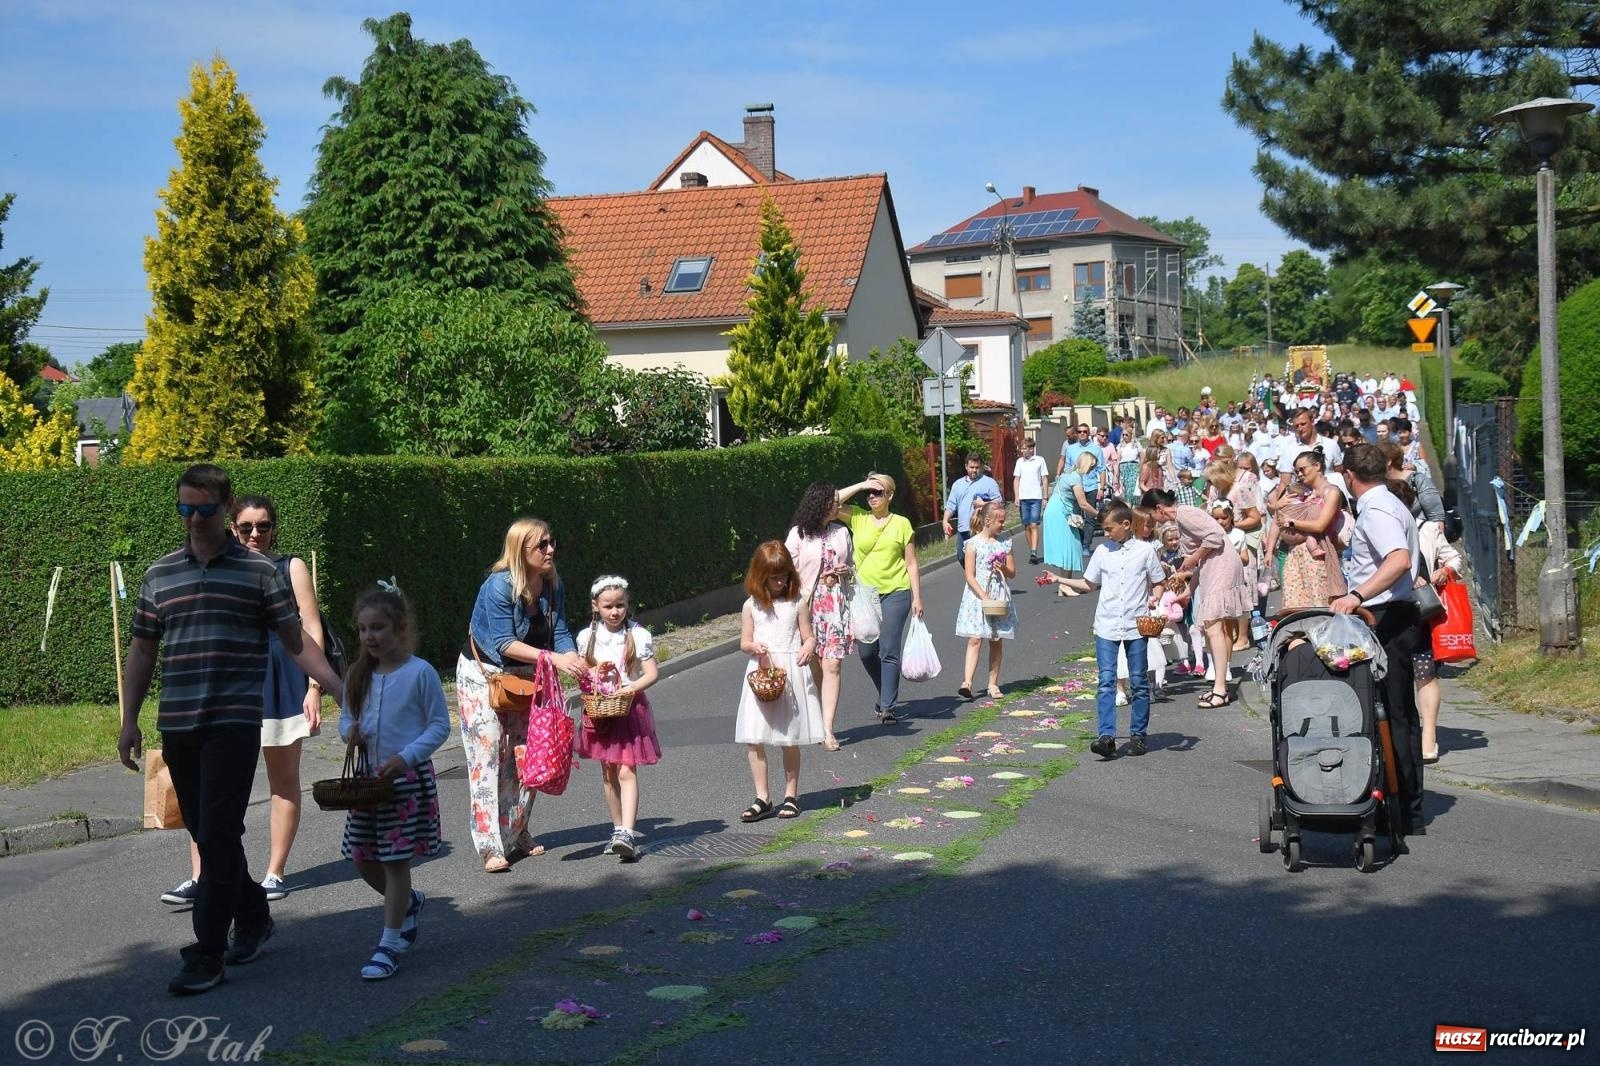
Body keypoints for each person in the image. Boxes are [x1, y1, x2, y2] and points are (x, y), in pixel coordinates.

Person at [118, 464, 345, 996]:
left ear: (225, 509)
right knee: (206, 830)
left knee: (219, 830)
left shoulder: (257, 572)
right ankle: (254, 912)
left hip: (234, 722)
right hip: (178, 722)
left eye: (204, 509)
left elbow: (295, 640)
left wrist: (333, 683)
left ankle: (206, 951)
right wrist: (128, 719)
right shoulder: (160, 575)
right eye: (185, 509)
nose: (194, 519)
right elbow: (143, 650)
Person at [160, 494, 331, 907]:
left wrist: (314, 687)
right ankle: (203, 876)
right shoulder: (219, 568)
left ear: (274, 528)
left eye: (264, 526)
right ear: (231, 528)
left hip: (281, 679)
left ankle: (274, 872)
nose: (255, 534)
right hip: (230, 682)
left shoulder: (291, 567)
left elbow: (310, 626)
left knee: (283, 780)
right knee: (205, 789)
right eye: (246, 527)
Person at [459, 518, 585, 873]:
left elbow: (558, 631)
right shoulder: (499, 586)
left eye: (551, 541)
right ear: (520, 551)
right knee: (488, 759)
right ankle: (489, 845)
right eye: (541, 545)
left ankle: (516, 832)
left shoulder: (550, 583)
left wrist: (573, 657)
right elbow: (503, 643)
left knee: (529, 756)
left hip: (529, 676)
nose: (550, 550)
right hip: (486, 677)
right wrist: (553, 658)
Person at [339, 582, 449, 982]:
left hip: (404, 781)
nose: (370, 636)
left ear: (400, 628)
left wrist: (406, 758)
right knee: (363, 859)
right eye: (364, 629)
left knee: (394, 860)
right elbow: (345, 719)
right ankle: (407, 904)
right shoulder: (357, 674)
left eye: (378, 628)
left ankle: (389, 942)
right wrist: (349, 731)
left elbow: (439, 726)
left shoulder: (421, 673)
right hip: (367, 785)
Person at [1334, 444, 1426, 835]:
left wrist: (1356, 595)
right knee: (1397, 713)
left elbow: (1398, 559)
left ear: (1350, 476)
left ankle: (1402, 806)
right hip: (1392, 613)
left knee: (1392, 715)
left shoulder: (1377, 509)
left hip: (1388, 616)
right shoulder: (1385, 502)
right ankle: (1403, 804)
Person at [1049, 501, 1166, 759]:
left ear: (1126, 525)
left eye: (1109, 528)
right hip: (1107, 624)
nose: (1105, 533)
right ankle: (1106, 736)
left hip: (1136, 625)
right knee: (1106, 681)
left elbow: (1158, 581)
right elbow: (1089, 584)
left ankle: (1138, 735)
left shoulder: (1145, 551)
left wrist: (1155, 598)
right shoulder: (1103, 552)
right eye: (1103, 529)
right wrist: (1058, 579)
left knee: (1138, 681)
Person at [735, 542, 825, 822]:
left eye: (784, 575)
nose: (780, 581)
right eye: (774, 576)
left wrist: (808, 646)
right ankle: (763, 797)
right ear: (760, 576)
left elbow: (808, 635)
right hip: (762, 672)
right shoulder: (751, 606)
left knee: (788, 738)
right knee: (754, 738)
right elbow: (744, 642)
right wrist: (754, 647)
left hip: (790, 672)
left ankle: (791, 794)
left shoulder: (797, 602)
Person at [574, 575, 661, 859]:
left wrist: (630, 687)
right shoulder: (587, 637)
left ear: (627, 605)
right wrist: (592, 678)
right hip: (600, 712)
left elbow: (651, 673)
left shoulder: (637, 635)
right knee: (609, 772)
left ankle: (627, 832)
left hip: (628, 710)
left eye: (620, 605)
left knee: (626, 769)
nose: (615, 612)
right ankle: (616, 828)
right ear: (595, 606)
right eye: (608, 606)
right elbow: (583, 674)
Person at [1142, 488, 1251, 708]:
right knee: (1211, 628)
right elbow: (1203, 555)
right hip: (1213, 568)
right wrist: (1189, 589)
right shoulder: (1183, 518)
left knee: (1212, 627)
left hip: (1222, 566)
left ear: (1158, 509)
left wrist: (1192, 558)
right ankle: (1219, 686)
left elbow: (1216, 536)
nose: (1153, 520)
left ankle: (1220, 688)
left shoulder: (1185, 513)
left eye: (1151, 515)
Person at [837, 474, 924, 723]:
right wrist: (862, 484)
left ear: (890, 495)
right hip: (865, 595)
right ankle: (884, 690)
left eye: (879, 492)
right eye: (870, 493)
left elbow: (911, 563)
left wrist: (917, 597)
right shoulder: (857, 517)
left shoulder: (902, 524)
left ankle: (887, 706)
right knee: (866, 651)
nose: (873, 497)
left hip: (897, 591)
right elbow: (828, 504)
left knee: (888, 648)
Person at [785, 483, 854, 751]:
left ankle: (827, 729)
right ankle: (813, 716)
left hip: (835, 605)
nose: (839, 506)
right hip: (807, 607)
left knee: (832, 665)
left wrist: (845, 570)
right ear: (821, 505)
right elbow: (786, 569)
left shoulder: (841, 532)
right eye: (835, 502)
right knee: (813, 666)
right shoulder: (798, 535)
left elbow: (852, 567)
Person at [954, 500, 1017, 701]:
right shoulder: (972, 544)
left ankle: (993, 684)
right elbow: (969, 575)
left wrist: (1002, 568)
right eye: (1000, 521)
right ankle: (967, 682)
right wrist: (983, 596)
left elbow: (1012, 573)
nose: (1003, 524)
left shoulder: (1004, 544)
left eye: (1004, 521)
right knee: (975, 638)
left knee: (996, 640)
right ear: (987, 520)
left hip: (997, 594)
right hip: (977, 595)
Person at [1270, 450, 1348, 611]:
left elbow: (1320, 525)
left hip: (1319, 553)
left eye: (1302, 469)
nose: (1299, 474)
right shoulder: (1298, 491)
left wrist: (1291, 522)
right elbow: (1277, 519)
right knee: (1296, 607)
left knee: (1319, 604)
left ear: (1317, 466)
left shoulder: (1332, 492)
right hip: (1295, 555)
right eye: (1296, 471)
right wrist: (1279, 506)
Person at [943, 453, 1001, 561]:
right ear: (966, 467)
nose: (974, 470)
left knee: (980, 559)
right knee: (961, 557)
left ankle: (975, 577)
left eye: (977, 468)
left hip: (981, 529)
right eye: (972, 467)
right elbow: (951, 505)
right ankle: (972, 576)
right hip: (963, 529)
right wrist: (945, 520)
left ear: (981, 467)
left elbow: (999, 503)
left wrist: (984, 504)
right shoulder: (957, 484)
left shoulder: (989, 483)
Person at [1012, 437, 1050, 565]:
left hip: (1036, 497)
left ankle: (1034, 552)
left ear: (1030, 449)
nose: (1022, 451)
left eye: (1024, 448)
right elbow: (1016, 480)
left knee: (1034, 524)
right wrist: (1016, 496)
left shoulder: (1040, 460)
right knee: (1027, 526)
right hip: (1023, 498)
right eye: (1021, 448)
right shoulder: (1019, 462)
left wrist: (1045, 497)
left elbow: (1044, 479)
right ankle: (1031, 550)